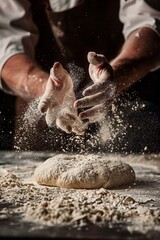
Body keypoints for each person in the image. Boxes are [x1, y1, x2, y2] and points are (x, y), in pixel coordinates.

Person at [0, 0, 160, 153]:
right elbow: (6, 47)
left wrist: (115, 75)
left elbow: (150, 23)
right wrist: (48, 87)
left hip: (127, 103)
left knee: (141, 172)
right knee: (34, 177)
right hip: (48, 114)